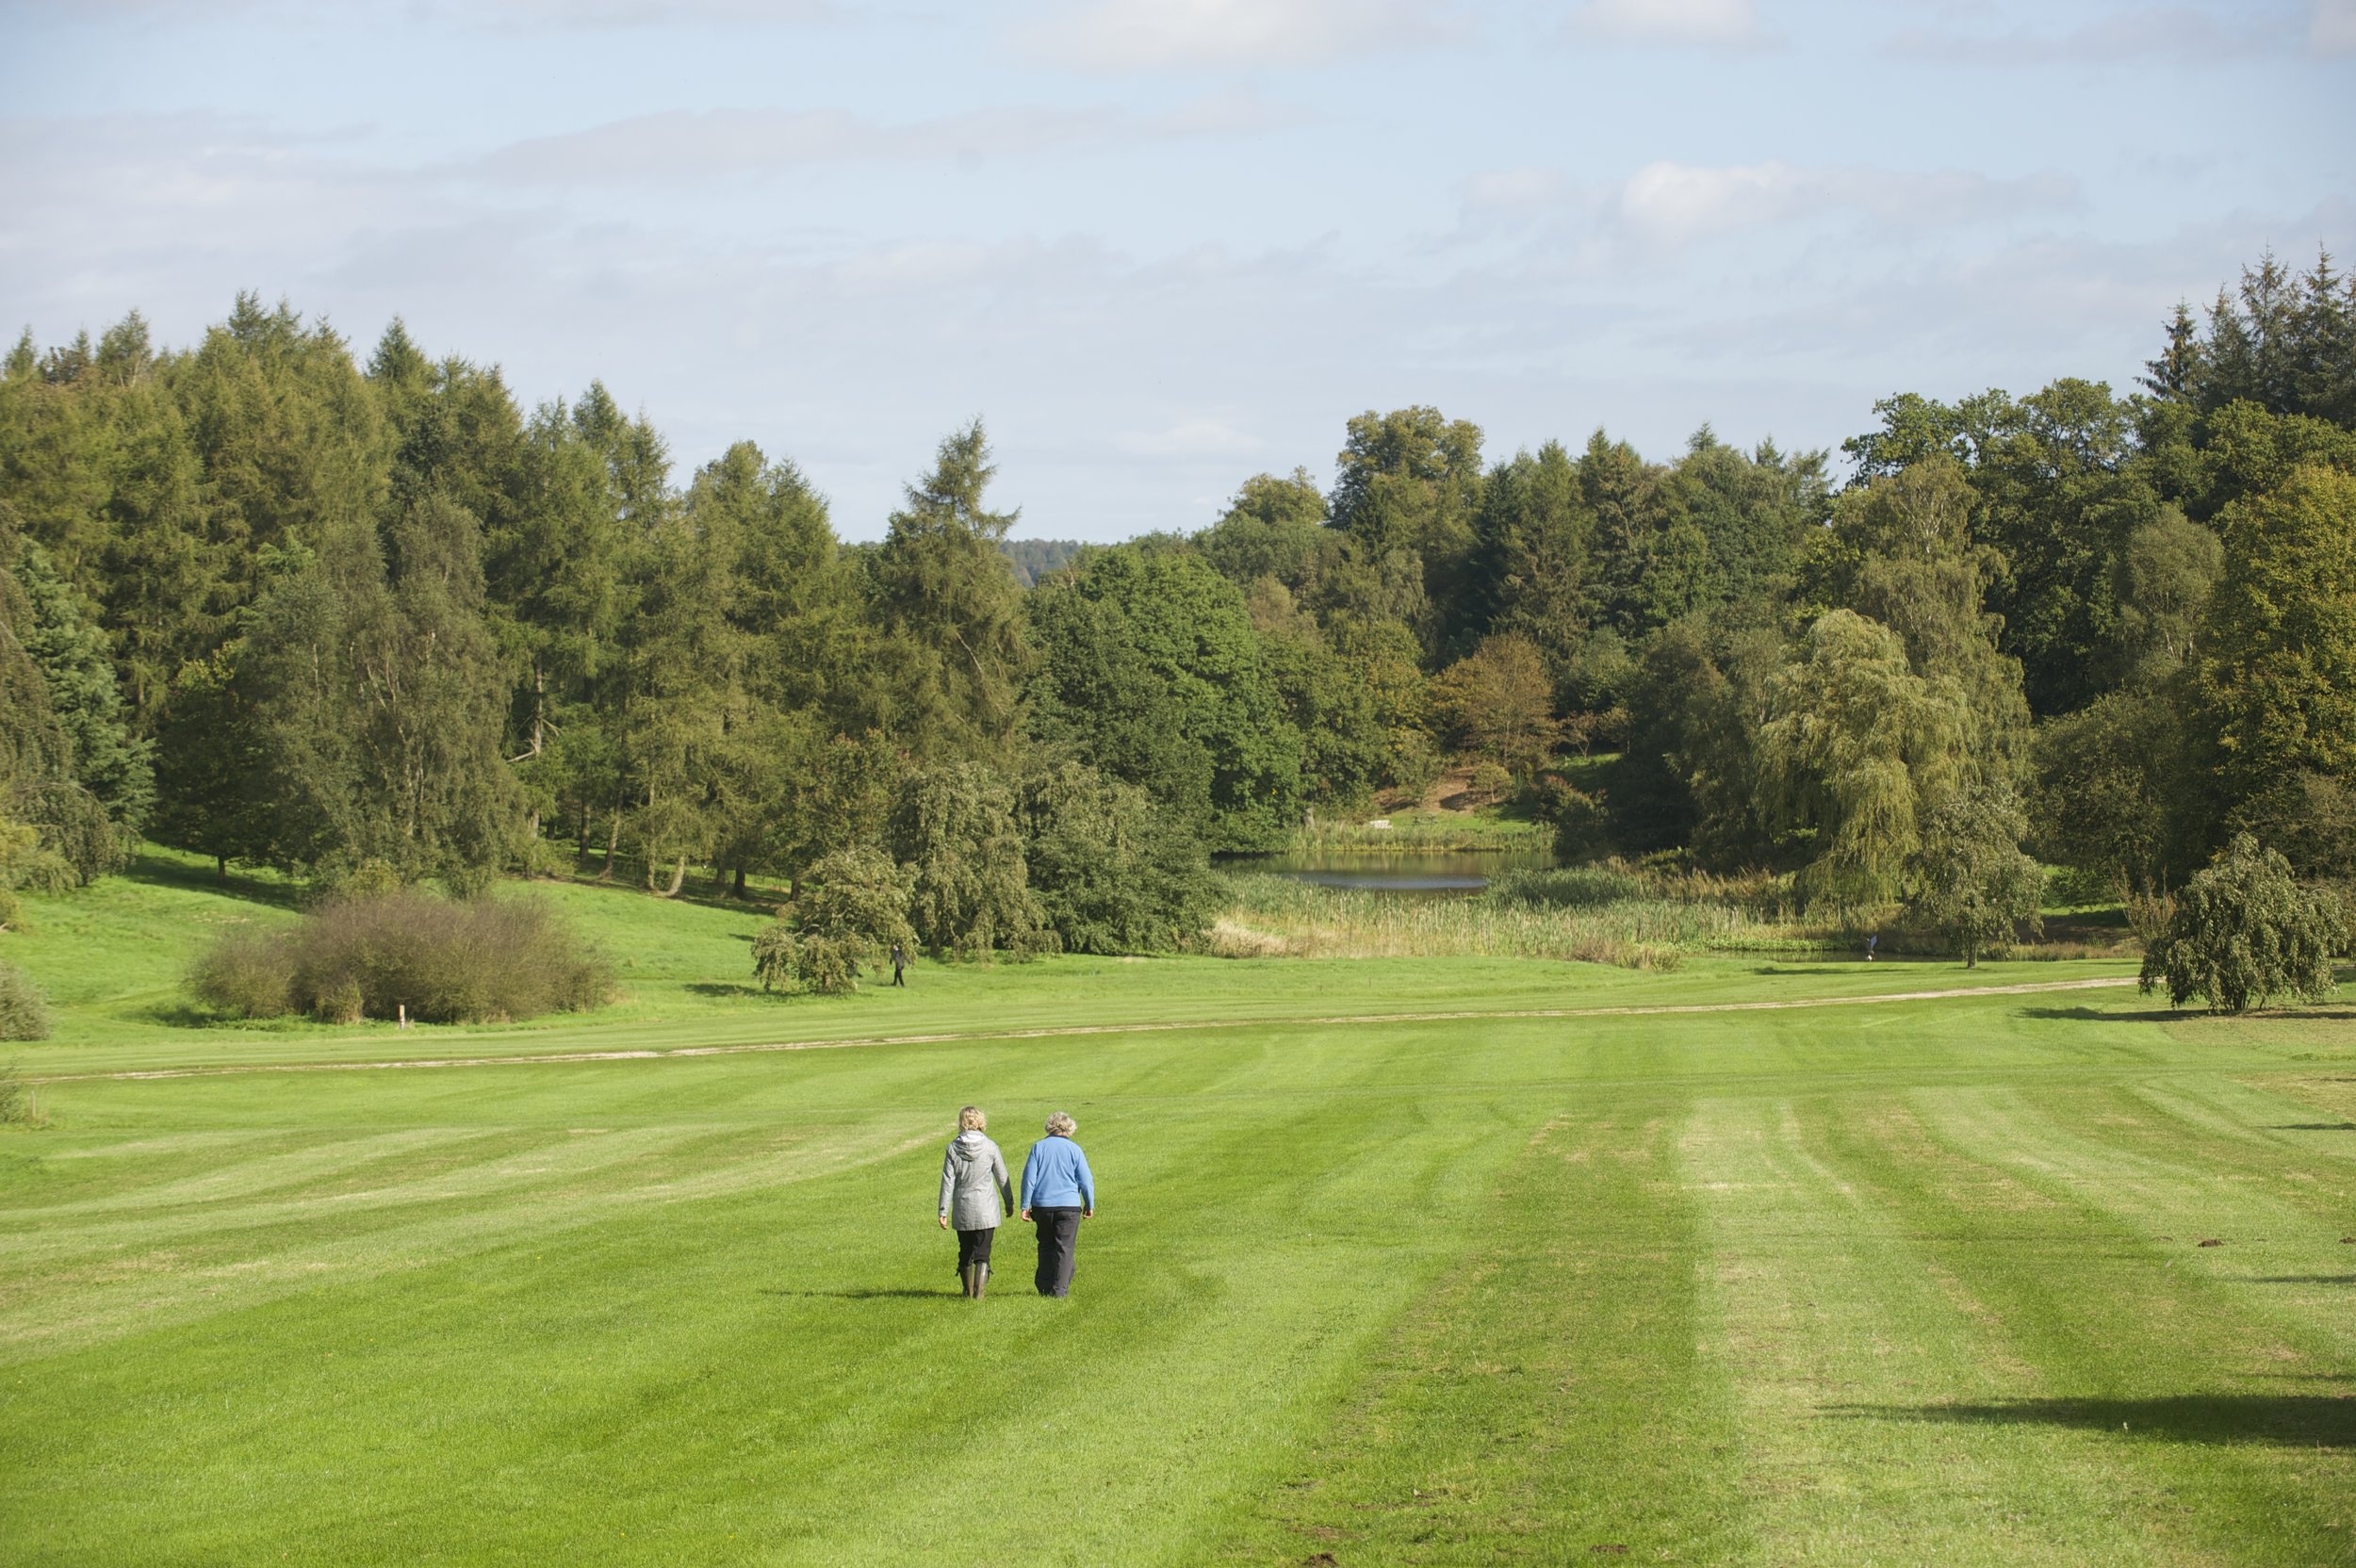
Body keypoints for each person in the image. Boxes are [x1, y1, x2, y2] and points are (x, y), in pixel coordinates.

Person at [938, 1105, 1014, 1299]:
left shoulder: (953, 1148)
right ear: (980, 1121)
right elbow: (1002, 1176)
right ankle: (979, 1294)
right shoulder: (990, 1146)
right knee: (983, 1251)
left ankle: (968, 1290)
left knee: (965, 1250)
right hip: (986, 1207)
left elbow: (948, 1181)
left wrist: (943, 1210)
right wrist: (1009, 1201)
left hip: (963, 1207)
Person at [1019, 1111, 1095, 1298]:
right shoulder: (1074, 1149)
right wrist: (1089, 1203)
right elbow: (1085, 1180)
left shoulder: (1038, 1147)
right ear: (1069, 1128)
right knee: (1065, 1248)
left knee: (1045, 1245)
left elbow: (1029, 1179)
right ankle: (1060, 1290)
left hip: (1042, 1206)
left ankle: (1044, 1287)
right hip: (1068, 1206)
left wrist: (1025, 1205)